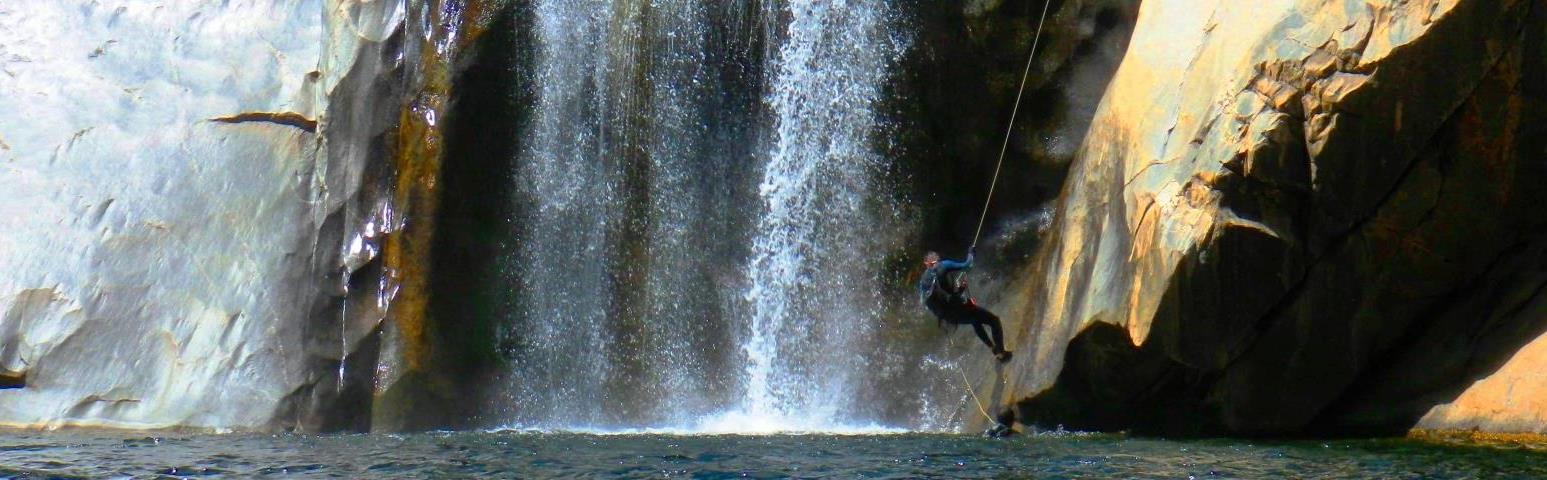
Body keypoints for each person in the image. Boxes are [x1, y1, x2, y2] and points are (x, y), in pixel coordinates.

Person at [919, 247, 1012, 362]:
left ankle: (994, 349)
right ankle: (1002, 353)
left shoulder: (923, 281)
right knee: (994, 321)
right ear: (937, 259)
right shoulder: (944, 265)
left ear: (926, 264)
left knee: (975, 320)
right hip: (959, 308)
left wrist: (959, 289)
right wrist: (970, 253)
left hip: (948, 317)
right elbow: (968, 265)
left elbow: (939, 297)